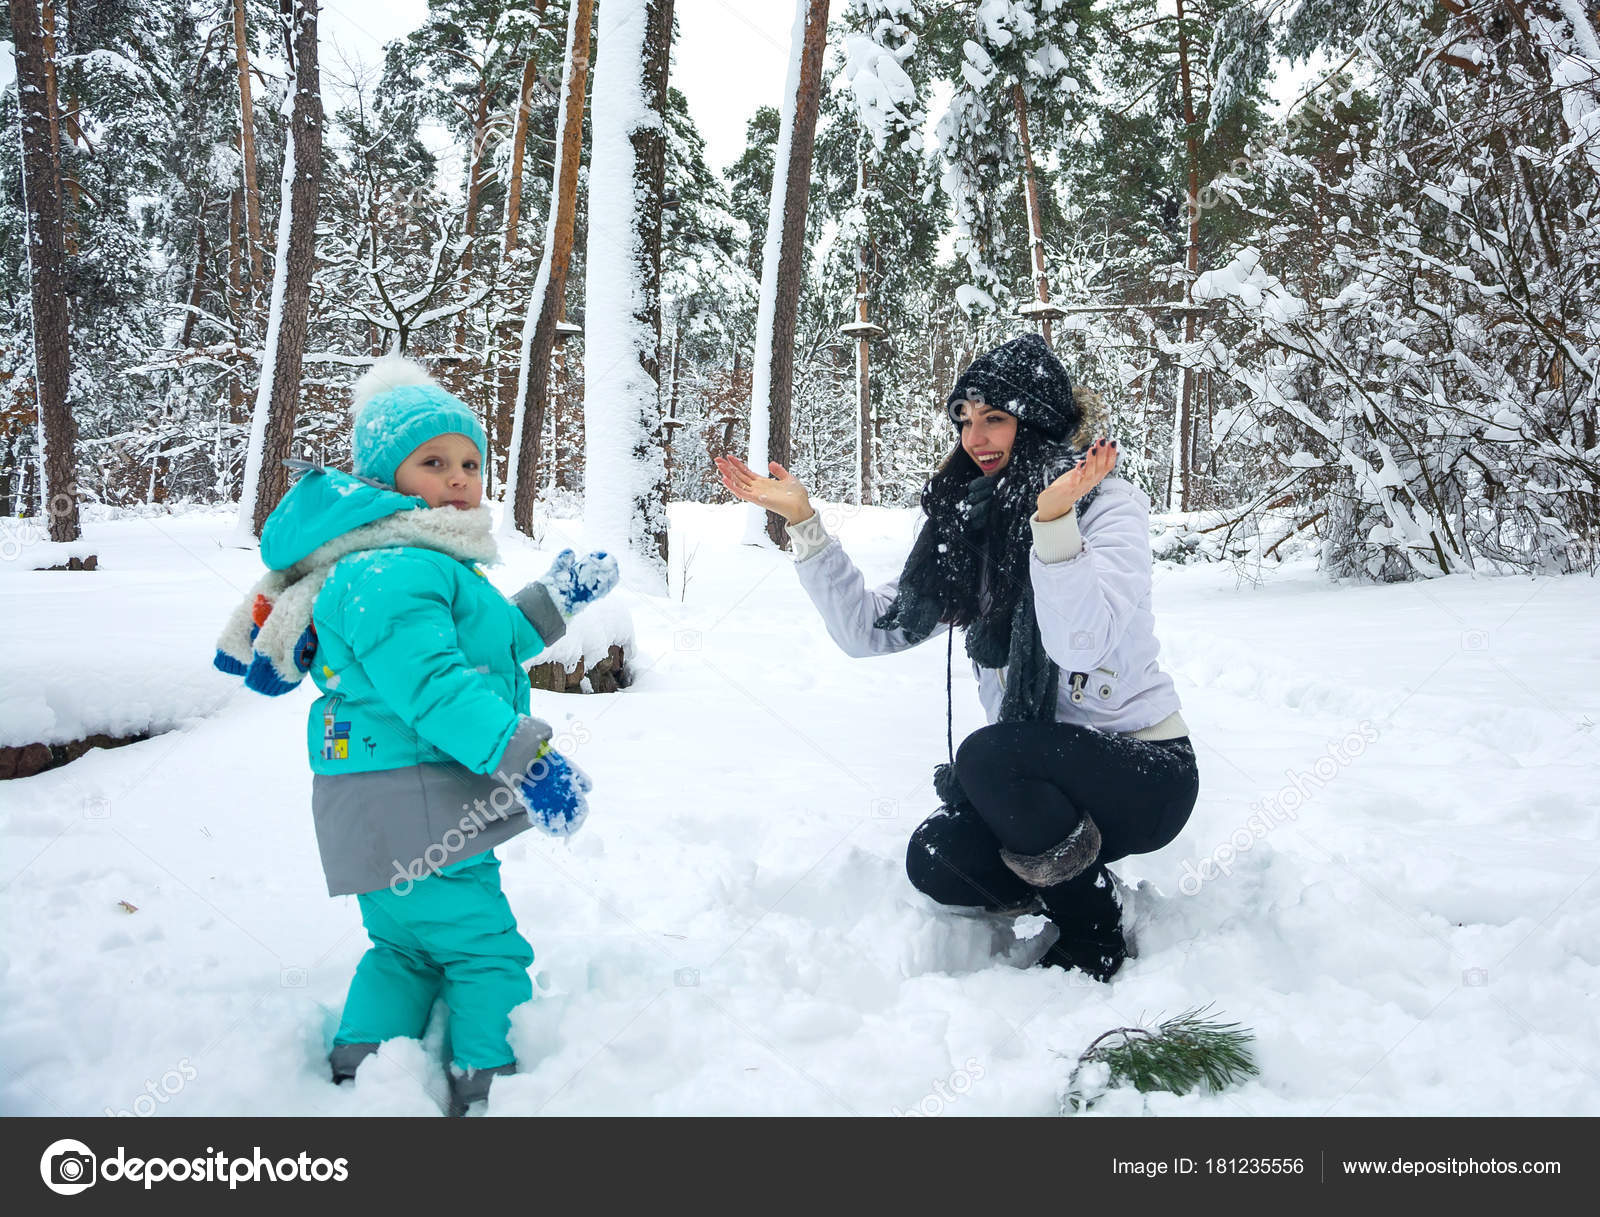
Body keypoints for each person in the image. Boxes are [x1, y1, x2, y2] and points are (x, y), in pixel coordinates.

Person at [714, 333, 1198, 982]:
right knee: (937, 856)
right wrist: (804, 523)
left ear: (1036, 420)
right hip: (1036, 784)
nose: (976, 437)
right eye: (965, 420)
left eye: (994, 417)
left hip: (1144, 771)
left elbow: (1080, 643)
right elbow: (869, 630)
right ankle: (1069, 878)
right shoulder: (973, 520)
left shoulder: (1107, 506)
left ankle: (1095, 929)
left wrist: (1053, 523)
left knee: (988, 755)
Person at [213, 356, 618, 1114]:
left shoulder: (407, 561)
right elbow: (434, 687)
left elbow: (488, 640)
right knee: (484, 950)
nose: (459, 477)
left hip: (371, 814)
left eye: (470, 462)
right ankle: (489, 1089)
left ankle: (360, 1067)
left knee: (404, 948)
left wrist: (556, 598)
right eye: (433, 462)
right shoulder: (394, 569)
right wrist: (529, 760)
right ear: (385, 478)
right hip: (424, 809)